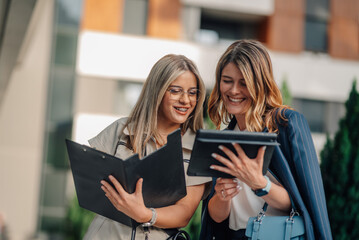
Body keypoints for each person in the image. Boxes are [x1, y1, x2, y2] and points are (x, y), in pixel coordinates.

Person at [200, 40, 332, 240]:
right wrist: (221, 196)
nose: (234, 91)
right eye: (227, 80)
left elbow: (306, 201)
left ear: (259, 84)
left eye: (243, 82)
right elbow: (216, 219)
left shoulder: (287, 124)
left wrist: (260, 184)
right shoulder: (223, 137)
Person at [83, 54, 211, 239]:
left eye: (192, 93)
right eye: (175, 91)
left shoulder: (198, 149)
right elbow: (89, 182)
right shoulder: (122, 130)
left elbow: (184, 213)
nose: (186, 100)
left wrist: (144, 214)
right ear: (157, 91)